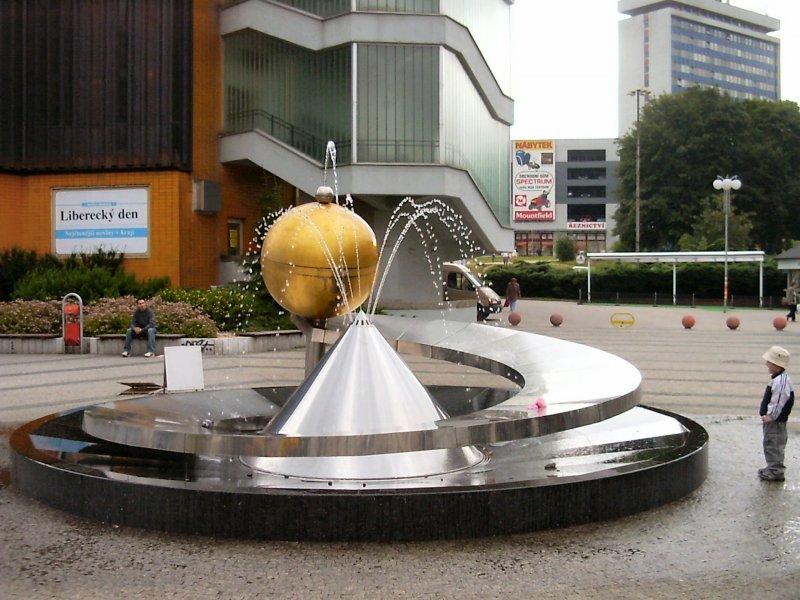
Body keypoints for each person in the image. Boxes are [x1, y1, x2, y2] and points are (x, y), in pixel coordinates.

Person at [758, 345, 794, 481]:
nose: (767, 364)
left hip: (775, 420)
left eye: (769, 362)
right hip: (772, 419)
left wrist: (771, 416)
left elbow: (779, 401)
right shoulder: (776, 378)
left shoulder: (781, 381)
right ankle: (772, 467)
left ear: (776, 364)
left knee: (775, 443)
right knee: (769, 442)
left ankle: (776, 470)